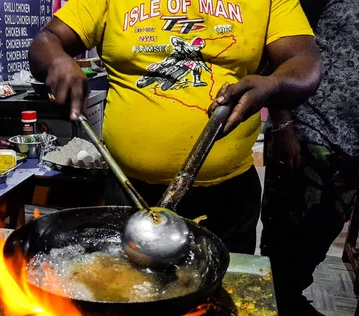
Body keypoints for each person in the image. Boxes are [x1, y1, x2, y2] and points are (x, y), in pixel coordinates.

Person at [29, 0, 323, 255]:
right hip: (129, 193)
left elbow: (304, 61)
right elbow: (48, 38)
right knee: (129, 298)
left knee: (221, 300)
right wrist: (57, 61)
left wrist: (274, 84)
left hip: (227, 197)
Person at [261, 0, 359, 316]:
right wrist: (283, 125)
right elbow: (277, 57)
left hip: (352, 143)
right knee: (288, 232)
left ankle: (292, 300)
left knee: (323, 230)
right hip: (307, 135)